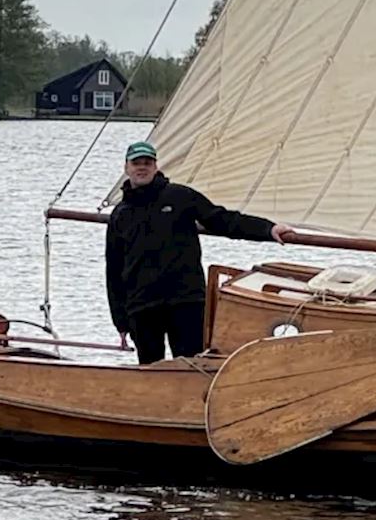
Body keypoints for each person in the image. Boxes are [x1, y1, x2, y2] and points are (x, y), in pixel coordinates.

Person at [106, 140, 290, 365]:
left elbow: (222, 220)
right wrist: (121, 322)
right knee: (150, 371)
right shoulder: (120, 214)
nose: (142, 168)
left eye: (147, 162)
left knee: (192, 366)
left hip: (185, 301)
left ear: (156, 167)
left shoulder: (180, 196)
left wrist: (268, 229)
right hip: (142, 306)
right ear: (127, 168)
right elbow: (114, 270)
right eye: (136, 163)